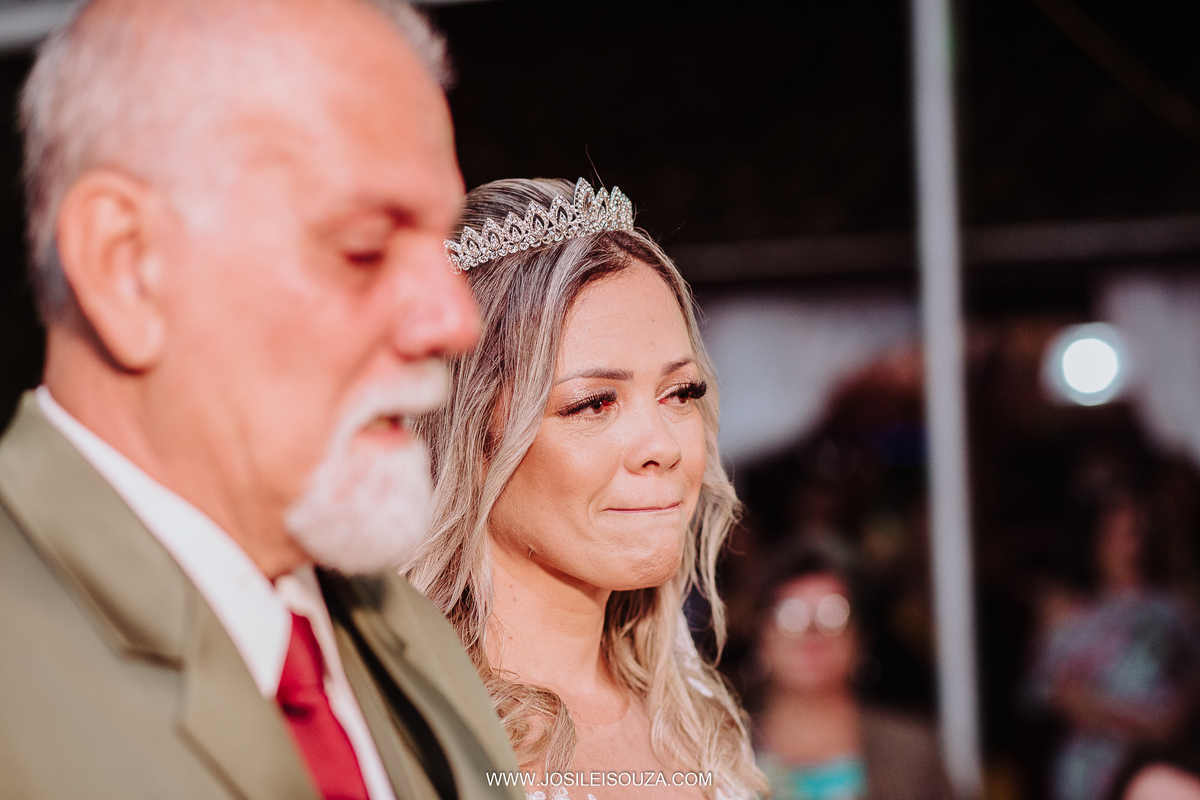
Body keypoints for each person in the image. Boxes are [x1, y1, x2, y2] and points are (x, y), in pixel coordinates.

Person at [0, 1, 524, 799]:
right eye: (363, 250)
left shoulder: (412, 635)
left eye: (439, 251)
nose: (454, 322)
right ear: (125, 266)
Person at [404, 178, 766, 800]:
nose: (664, 445)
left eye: (680, 393)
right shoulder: (410, 736)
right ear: (468, 438)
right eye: (595, 402)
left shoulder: (697, 715)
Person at [1026, 490, 1200, 800]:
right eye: (1112, 533)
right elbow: (1054, 693)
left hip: (1159, 767)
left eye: (1133, 533)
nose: (1124, 546)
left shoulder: (1175, 610)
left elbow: (1187, 695)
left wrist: (1165, 725)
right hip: (1087, 776)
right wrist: (1141, 724)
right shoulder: (1071, 614)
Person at [750, 539, 953, 800]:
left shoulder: (913, 754)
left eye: (832, 615)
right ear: (761, 637)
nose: (811, 633)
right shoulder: (715, 751)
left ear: (860, 637)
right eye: (790, 616)